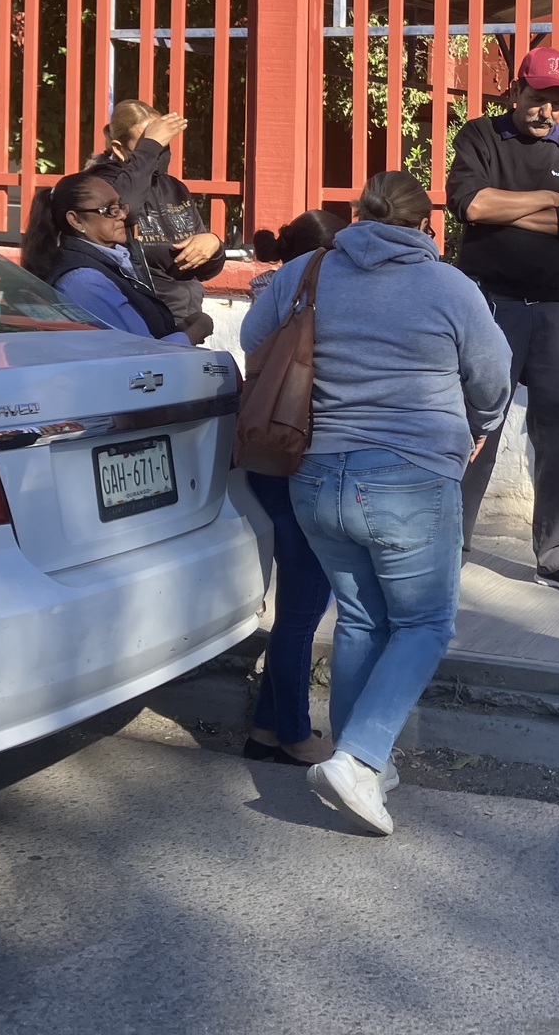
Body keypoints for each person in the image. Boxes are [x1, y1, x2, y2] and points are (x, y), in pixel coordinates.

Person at [242, 171, 511, 836]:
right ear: (428, 225)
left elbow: (253, 339)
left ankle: (359, 758)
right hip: (409, 479)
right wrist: (478, 424)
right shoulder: (451, 286)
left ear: (359, 215)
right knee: (424, 625)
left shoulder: (309, 269)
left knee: (361, 618)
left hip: (315, 476)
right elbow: (493, 376)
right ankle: (359, 760)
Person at [447, 47, 559, 597]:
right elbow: (468, 207)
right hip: (491, 305)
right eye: (538, 97)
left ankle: (556, 555)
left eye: (557, 101)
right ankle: (452, 543)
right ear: (516, 91)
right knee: (476, 423)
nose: (547, 111)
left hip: (558, 310)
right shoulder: (479, 138)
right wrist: (545, 198)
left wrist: (507, 205)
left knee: (556, 429)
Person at [242, 208, 347, 768]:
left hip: (269, 442)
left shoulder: (274, 282)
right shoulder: (325, 276)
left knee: (301, 599)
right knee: (304, 607)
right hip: (304, 445)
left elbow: (249, 341)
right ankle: (293, 733)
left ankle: (264, 728)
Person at [87, 99, 227, 344]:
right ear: (119, 149)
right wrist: (148, 149)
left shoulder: (174, 188)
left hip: (186, 325)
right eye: (151, 145)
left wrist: (213, 246)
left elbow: (203, 270)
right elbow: (125, 209)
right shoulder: (101, 186)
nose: (159, 154)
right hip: (140, 327)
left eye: (165, 145)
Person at [20, 172, 191, 344]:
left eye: (120, 206)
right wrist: (192, 334)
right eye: (109, 209)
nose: (122, 215)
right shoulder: (84, 281)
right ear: (76, 221)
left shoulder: (115, 258)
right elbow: (140, 350)